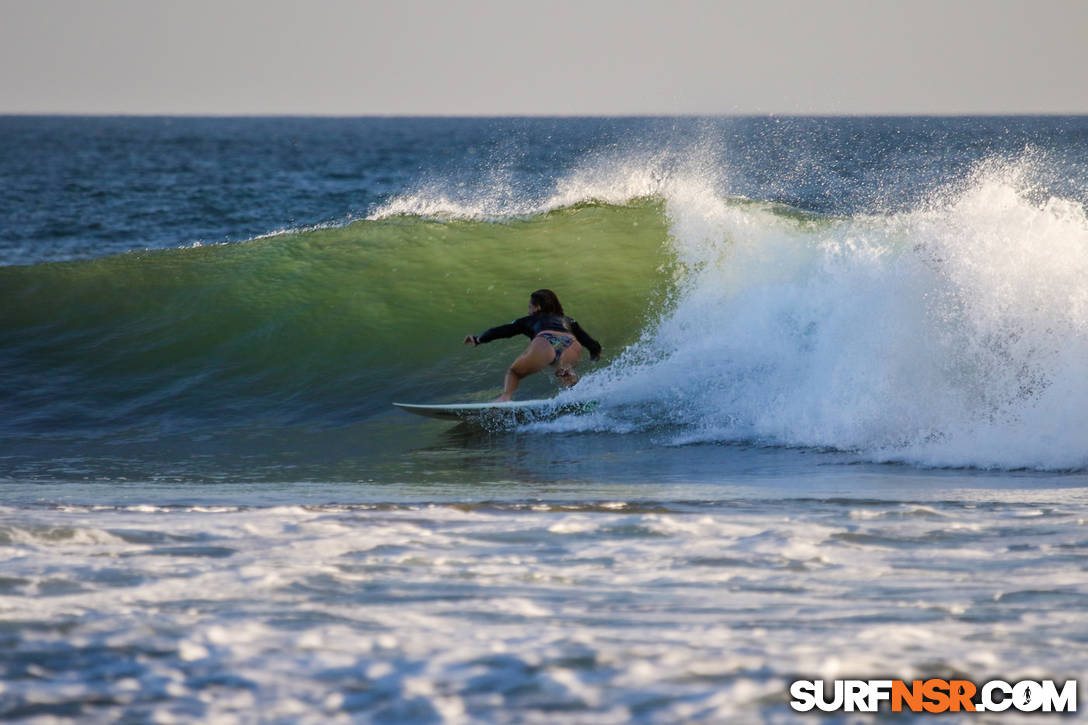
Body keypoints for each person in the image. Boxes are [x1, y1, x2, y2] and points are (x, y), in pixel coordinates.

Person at [464, 289, 602, 402]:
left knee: (514, 372)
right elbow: (591, 344)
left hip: (546, 340)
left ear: (537, 307)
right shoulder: (569, 321)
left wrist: (478, 339)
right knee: (564, 373)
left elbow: (502, 331)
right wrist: (595, 355)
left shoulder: (530, 320)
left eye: (530, 306)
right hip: (571, 344)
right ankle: (579, 400)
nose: (528, 310)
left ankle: (504, 399)